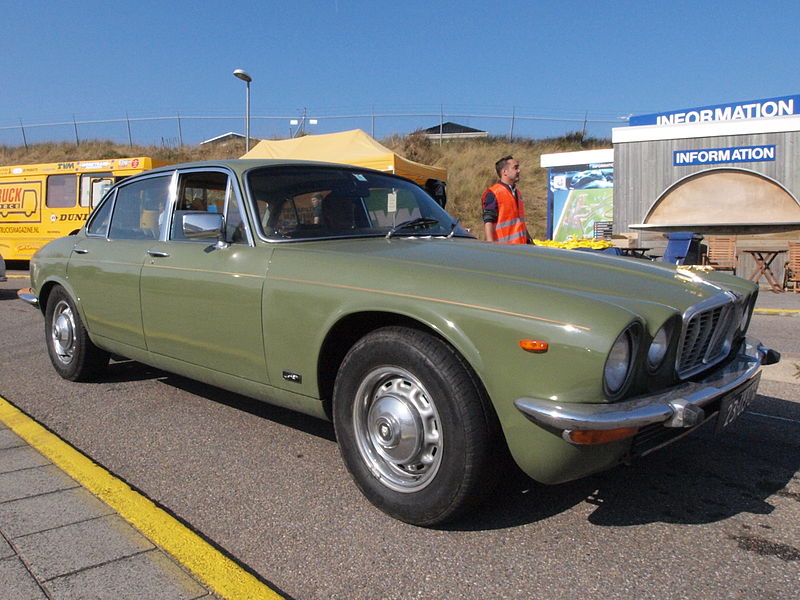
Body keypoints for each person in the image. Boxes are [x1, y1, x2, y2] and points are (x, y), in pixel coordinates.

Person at [481, 155, 531, 244]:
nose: (519, 170)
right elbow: (488, 221)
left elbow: (519, 222)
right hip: (504, 250)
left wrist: (529, 241)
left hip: (520, 247)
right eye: (515, 168)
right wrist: (491, 246)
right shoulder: (494, 193)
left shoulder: (517, 193)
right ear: (505, 172)